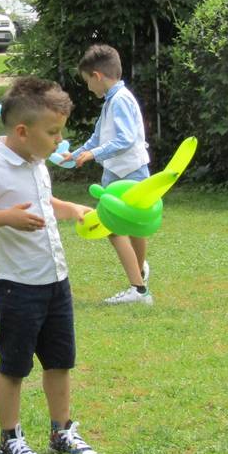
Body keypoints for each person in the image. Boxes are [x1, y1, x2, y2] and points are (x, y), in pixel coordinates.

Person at [0, 76, 101, 454]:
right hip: (17, 285)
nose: (58, 140)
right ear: (22, 131)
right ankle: (10, 440)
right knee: (14, 366)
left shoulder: (36, 161)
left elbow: (42, 199)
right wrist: (6, 217)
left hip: (55, 279)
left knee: (59, 361)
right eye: (53, 132)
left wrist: (70, 209)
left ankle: (61, 432)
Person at [64, 44, 153, 305]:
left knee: (113, 228)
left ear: (97, 76)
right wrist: (77, 153)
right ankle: (140, 275)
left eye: (87, 81)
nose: (88, 87)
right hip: (122, 173)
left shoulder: (120, 100)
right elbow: (98, 137)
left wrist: (94, 155)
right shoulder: (113, 101)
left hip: (129, 172)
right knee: (132, 227)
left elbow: (125, 139)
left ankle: (138, 289)